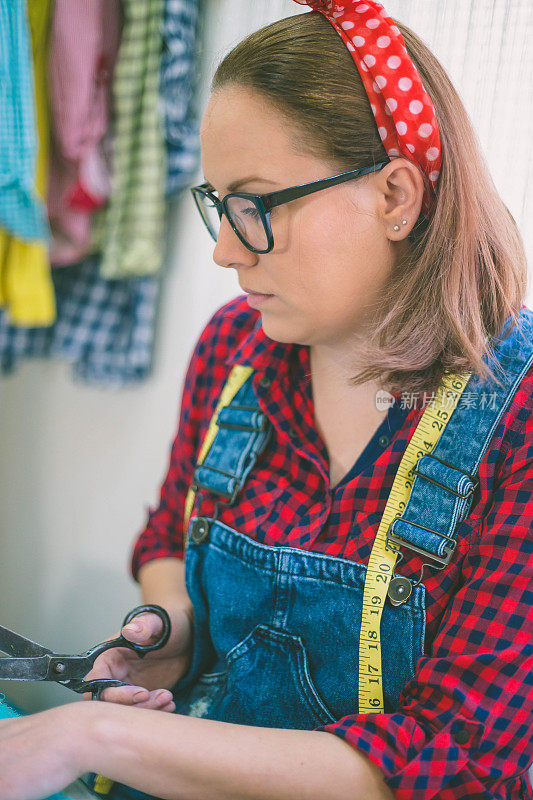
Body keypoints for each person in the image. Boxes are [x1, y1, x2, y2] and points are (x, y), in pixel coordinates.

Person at [0, 2, 532, 799]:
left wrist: (94, 732)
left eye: (256, 205)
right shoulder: (235, 348)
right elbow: (167, 537)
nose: (222, 250)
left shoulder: (516, 417)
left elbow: (454, 756)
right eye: (219, 204)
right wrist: (171, 624)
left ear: (395, 196)